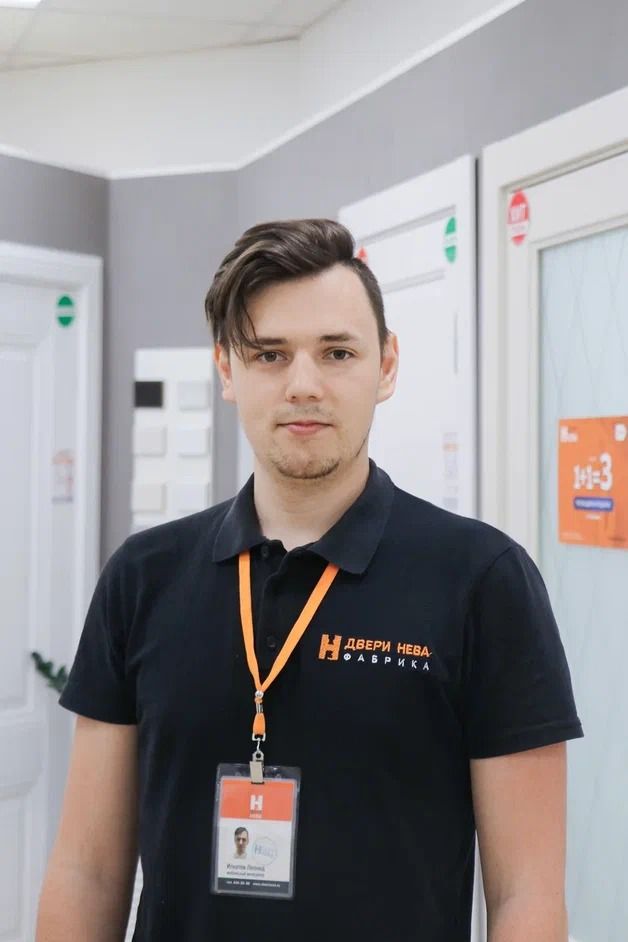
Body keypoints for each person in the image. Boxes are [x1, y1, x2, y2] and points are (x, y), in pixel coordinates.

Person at [36, 218, 584, 942]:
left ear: (386, 366)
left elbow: (527, 896)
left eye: (337, 352)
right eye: (269, 354)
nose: (304, 385)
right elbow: (87, 870)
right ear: (227, 370)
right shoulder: (143, 577)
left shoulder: (483, 580)